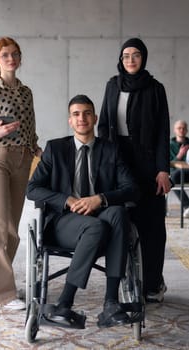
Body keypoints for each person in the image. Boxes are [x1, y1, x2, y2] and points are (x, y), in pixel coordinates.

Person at [27, 94, 139, 328]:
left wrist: (100, 199)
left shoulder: (111, 150)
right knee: (96, 226)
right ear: (70, 120)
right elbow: (32, 189)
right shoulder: (54, 149)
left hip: (101, 217)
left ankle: (111, 304)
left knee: (118, 214)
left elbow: (132, 189)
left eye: (87, 113)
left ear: (95, 118)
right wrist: (66, 199)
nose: (82, 118)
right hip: (64, 222)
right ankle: (65, 303)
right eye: (76, 114)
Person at [98, 37, 172, 303]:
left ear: (144, 59)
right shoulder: (112, 86)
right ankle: (125, 281)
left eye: (136, 55)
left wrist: (163, 170)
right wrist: (103, 163)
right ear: (121, 59)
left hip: (149, 164)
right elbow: (104, 125)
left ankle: (153, 283)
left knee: (152, 226)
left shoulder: (155, 88)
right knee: (121, 222)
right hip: (118, 161)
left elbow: (164, 130)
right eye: (126, 55)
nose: (130, 60)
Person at [0, 37, 42, 310]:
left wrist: (38, 149)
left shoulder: (26, 92)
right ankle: (2, 295)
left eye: (15, 54)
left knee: (12, 230)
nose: (11, 58)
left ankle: (6, 286)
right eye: (5, 55)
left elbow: (31, 128)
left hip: (23, 159)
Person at [170, 120, 189, 217]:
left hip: (188, 173)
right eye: (179, 128)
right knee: (173, 176)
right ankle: (187, 206)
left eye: (184, 128)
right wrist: (179, 155)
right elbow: (167, 164)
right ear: (174, 130)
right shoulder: (169, 145)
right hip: (175, 175)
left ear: (187, 130)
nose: (181, 130)